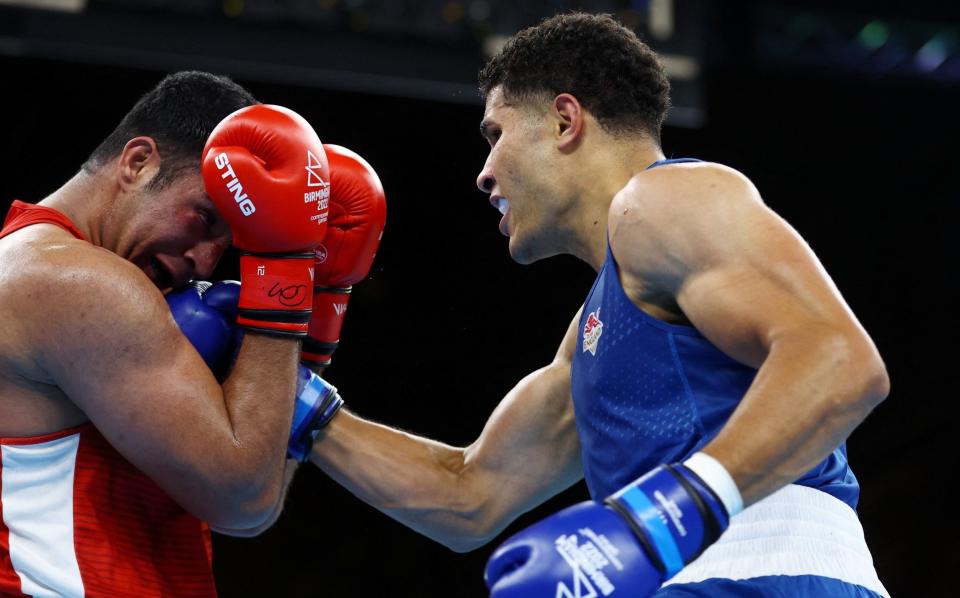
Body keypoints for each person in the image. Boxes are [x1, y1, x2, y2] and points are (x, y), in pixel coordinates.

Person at [305, 12, 890, 597]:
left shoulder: (662, 199)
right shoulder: (594, 330)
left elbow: (840, 359)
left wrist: (663, 514)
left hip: (772, 574)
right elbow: (468, 495)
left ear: (565, 120)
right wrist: (295, 398)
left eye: (495, 134)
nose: (483, 174)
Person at [0, 71, 332, 596]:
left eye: (225, 246)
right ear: (138, 163)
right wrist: (285, 274)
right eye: (204, 218)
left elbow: (256, 494)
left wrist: (309, 341)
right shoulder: (75, 283)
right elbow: (243, 501)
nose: (204, 262)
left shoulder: (29, 262)